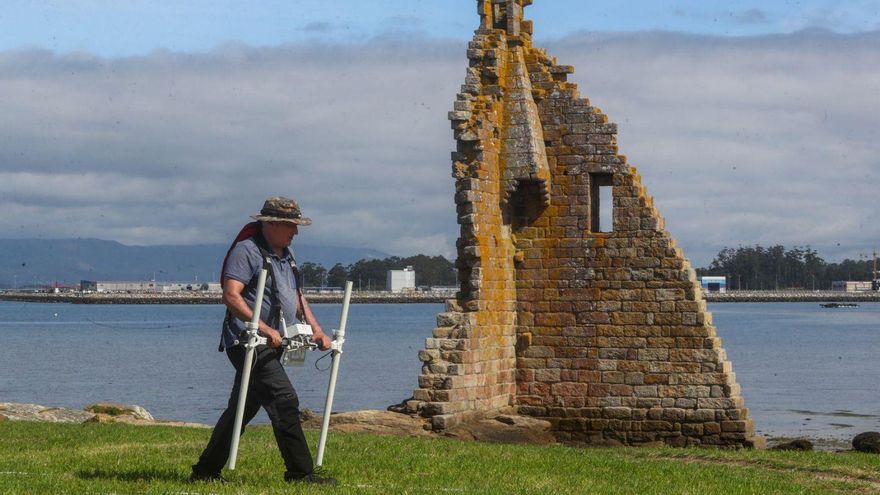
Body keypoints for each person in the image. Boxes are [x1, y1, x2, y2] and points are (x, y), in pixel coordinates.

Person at [190, 196, 336, 485]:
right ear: (269, 224)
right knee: (284, 399)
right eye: (290, 226)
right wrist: (265, 328)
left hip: (271, 342)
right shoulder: (246, 252)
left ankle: (205, 472)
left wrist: (316, 329)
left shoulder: (285, 254)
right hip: (247, 343)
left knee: (241, 409)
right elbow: (231, 295)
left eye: (297, 226)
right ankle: (300, 473)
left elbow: (295, 298)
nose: (295, 232)